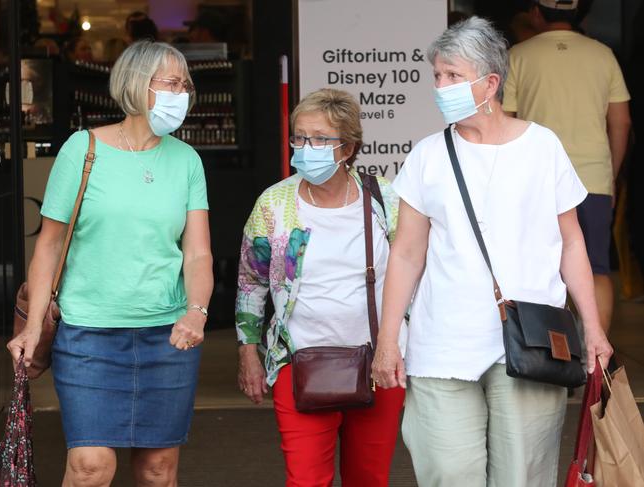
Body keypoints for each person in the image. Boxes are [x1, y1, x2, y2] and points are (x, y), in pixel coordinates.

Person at [371, 17, 613, 487]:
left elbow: (572, 242)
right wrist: (387, 340)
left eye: (453, 76)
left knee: (523, 475)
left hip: (531, 341)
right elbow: (405, 254)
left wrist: (594, 328)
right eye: (437, 76)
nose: (441, 87)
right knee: (448, 473)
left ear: (491, 82)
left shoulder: (542, 147)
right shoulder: (427, 155)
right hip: (442, 342)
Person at [8, 40, 211, 487]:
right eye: (171, 82)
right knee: (90, 467)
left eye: (185, 84)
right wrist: (32, 324)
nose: (182, 93)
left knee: (158, 470)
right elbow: (49, 246)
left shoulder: (187, 161)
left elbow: (197, 253)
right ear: (137, 85)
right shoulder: (82, 150)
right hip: (88, 336)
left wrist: (196, 311)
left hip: (167, 338)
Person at [235, 88, 406, 486]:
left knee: (370, 478)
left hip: (377, 364)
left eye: (319, 138)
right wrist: (248, 352)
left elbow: (414, 273)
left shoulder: (385, 200)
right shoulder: (274, 204)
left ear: (347, 147)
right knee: (306, 480)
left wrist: (401, 343)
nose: (305, 147)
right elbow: (250, 281)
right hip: (300, 363)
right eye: (299, 137)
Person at [503, 0, 632, 334]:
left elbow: (505, 120)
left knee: (539, 268)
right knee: (597, 269)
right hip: (593, 177)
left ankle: (552, 359)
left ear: (536, 13)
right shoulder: (603, 54)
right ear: (579, 14)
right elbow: (621, 121)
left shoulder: (519, 54)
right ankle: (597, 360)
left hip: (535, 179)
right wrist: (612, 175)